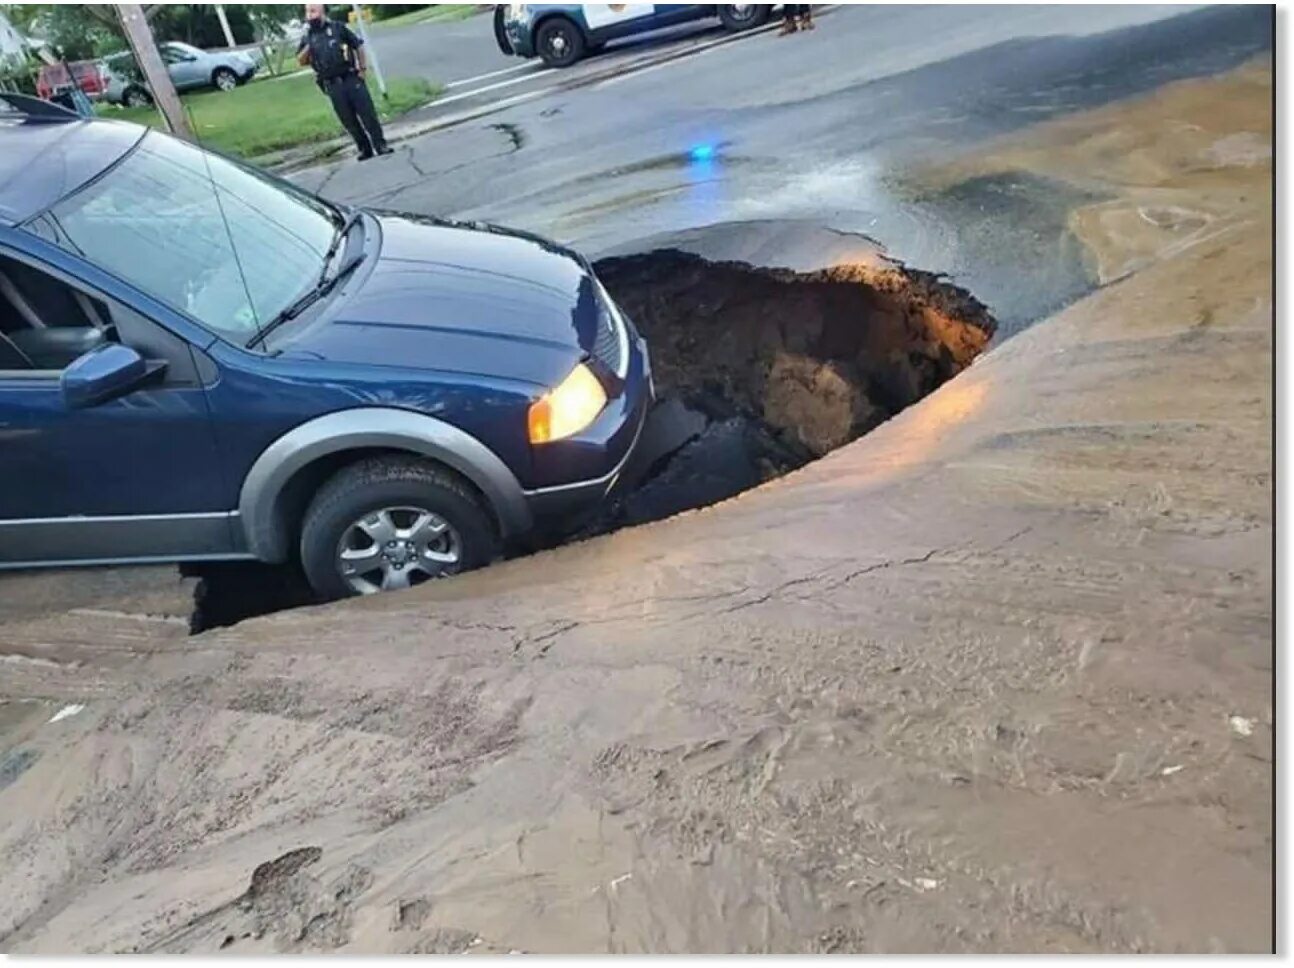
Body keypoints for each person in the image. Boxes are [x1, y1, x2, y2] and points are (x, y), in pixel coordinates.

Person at [297, 4, 392, 161]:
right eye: (308, 12)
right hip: (331, 84)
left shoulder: (338, 28)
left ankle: (380, 145)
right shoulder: (307, 36)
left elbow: (357, 45)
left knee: (367, 114)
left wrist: (362, 69)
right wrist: (309, 44)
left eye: (313, 11)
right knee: (348, 119)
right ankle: (364, 149)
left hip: (350, 78)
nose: (310, 15)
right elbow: (301, 60)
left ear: (323, 12)